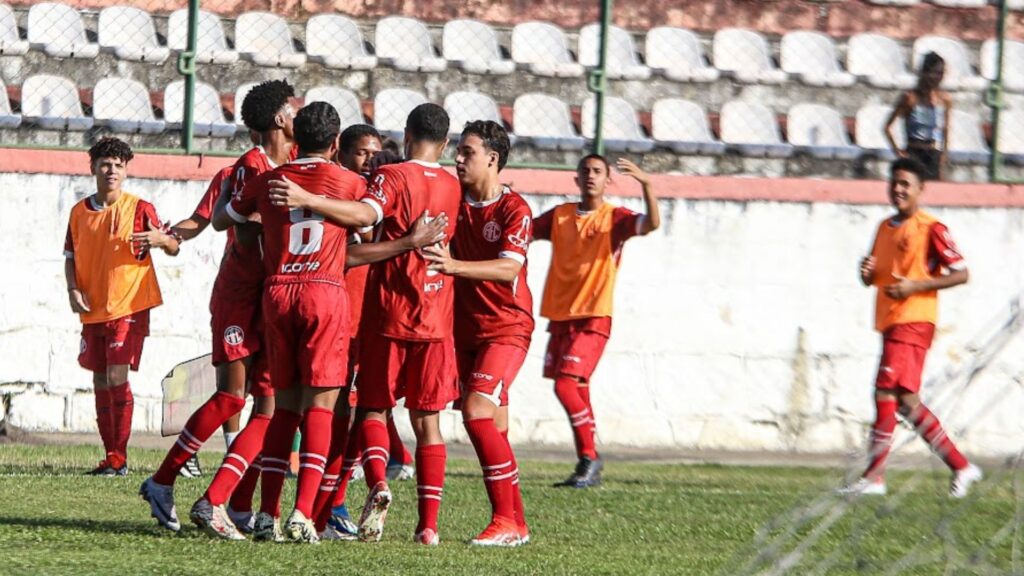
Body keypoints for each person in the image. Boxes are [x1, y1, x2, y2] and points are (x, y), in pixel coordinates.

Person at [266, 104, 460, 545]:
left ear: (406, 134)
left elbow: (367, 218)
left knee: (368, 409)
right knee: (429, 423)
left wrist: (308, 200)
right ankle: (427, 526)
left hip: (387, 312)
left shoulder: (388, 180)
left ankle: (376, 484)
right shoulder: (452, 185)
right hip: (437, 317)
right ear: (445, 144)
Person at [140, 80, 295, 534]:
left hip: (271, 296)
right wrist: (171, 236)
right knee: (232, 396)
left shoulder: (295, 162)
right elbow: (218, 222)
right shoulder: (249, 167)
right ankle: (164, 480)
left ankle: (231, 502)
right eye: (290, 106)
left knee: (267, 406)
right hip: (240, 296)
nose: (296, 111)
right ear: (278, 118)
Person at [213, 101, 371, 543]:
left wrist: (234, 195)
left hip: (278, 290)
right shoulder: (349, 181)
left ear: (296, 138)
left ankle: (267, 515)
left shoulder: (268, 180)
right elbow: (369, 224)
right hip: (323, 289)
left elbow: (226, 217)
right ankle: (303, 513)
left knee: (282, 406)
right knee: (321, 406)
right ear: (336, 143)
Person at [840, 157, 982, 498]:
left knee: (884, 392)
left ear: (921, 189)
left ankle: (874, 478)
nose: (899, 189)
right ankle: (961, 466)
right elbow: (874, 277)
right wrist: (866, 273)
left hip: (914, 320)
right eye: (895, 183)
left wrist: (914, 287)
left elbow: (961, 273)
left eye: (906, 184)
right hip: (891, 321)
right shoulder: (884, 227)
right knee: (906, 402)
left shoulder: (931, 228)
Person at [423, 120, 533, 546]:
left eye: (468, 152)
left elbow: (510, 267)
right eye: (459, 151)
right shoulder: (454, 200)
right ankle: (516, 523)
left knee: (475, 411)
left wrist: (454, 267)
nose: (458, 158)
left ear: (493, 158)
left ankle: (504, 521)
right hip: (464, 330)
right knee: (494, 427)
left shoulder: (514, 210)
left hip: (506, 329)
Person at [532, 154, 660, 488]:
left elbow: (650, 224)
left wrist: (647, 184)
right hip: (562, 315)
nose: (591, 176)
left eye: (598, 172)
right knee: (578, 389)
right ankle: (587, 464)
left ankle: (589, 458)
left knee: (565, 385)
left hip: (594, 315)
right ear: (576, 178)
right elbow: (524, 231)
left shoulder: (614, 218)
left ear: (607, 181)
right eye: (585, 171)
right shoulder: (560, 216)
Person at [64, 137, 180, 476]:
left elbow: (172, 245)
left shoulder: (140, 208)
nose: (111, 170)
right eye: (105, 164)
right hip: (94, 308)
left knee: (116, 375)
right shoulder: (78, 212)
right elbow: (70, 257)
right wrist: (72, 289)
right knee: (100, 379)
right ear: (93, 168)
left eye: (118, 165)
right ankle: (109, 455)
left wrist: (162, 240)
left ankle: (119, 458)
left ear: (126, 171)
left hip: (129, 305)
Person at [886, 52, 952, 181]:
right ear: (924, 73)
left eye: (941, 73)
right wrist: (898, 152)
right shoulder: (910, 98)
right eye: (935, 73)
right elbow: (887, 127)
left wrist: (944, 153)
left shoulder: (944, 99)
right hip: (914, 152)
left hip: (933, 153)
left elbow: (946, 128)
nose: (938, 77)